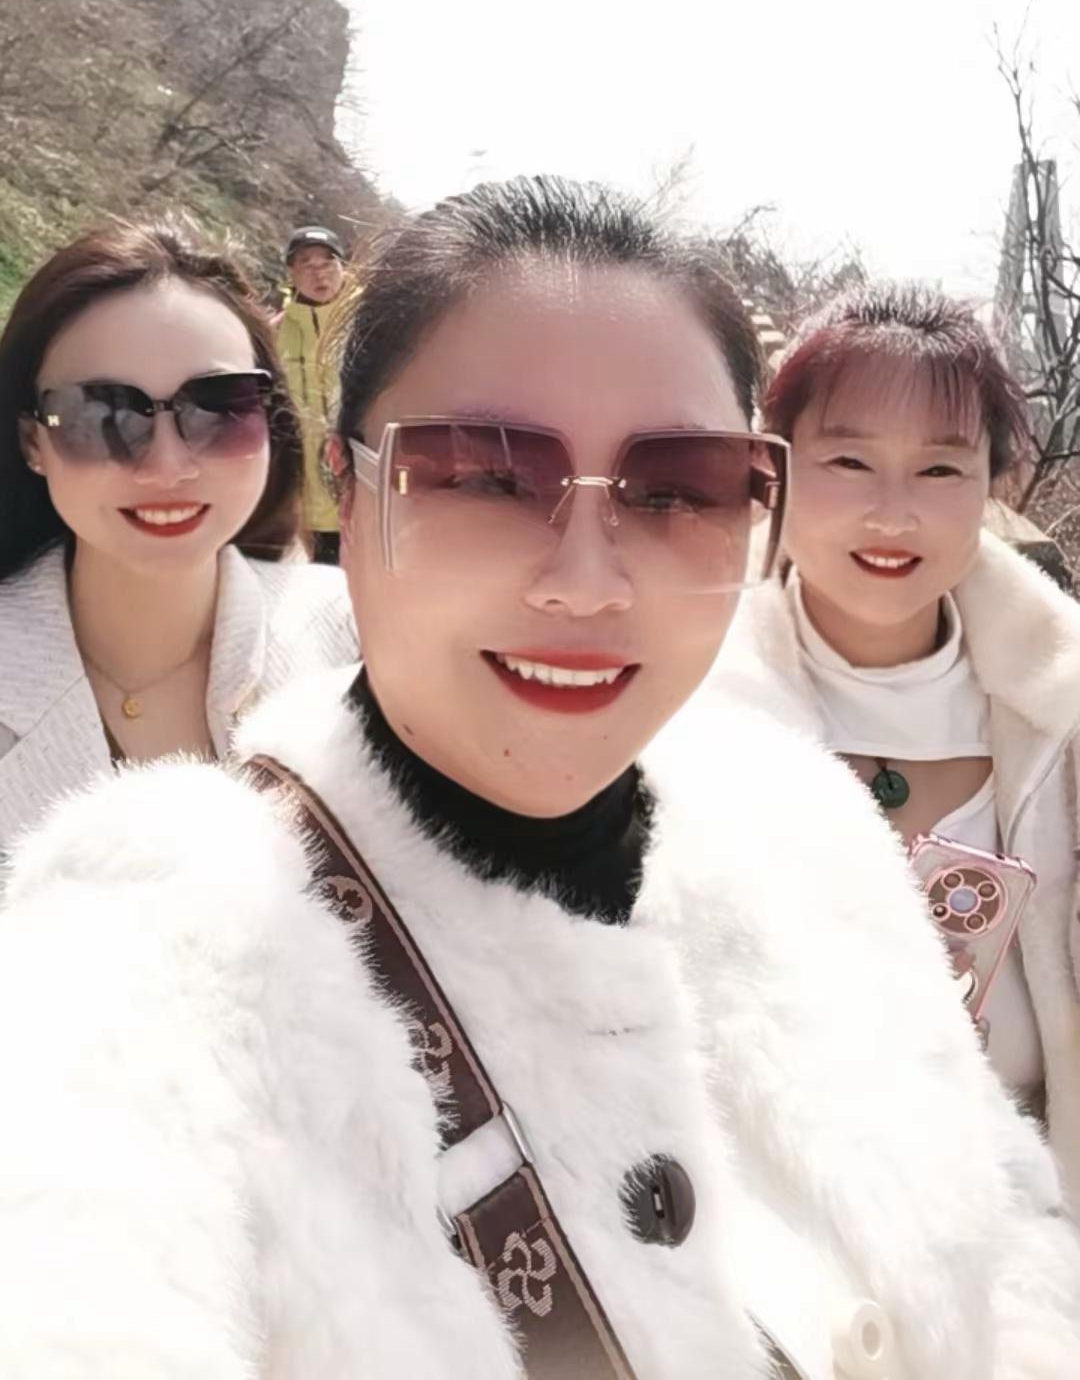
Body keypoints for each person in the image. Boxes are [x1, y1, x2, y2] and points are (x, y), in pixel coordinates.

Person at [0, 182, 1077, 1380]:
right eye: (484, 478)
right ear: (348, 492)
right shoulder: (143, 945)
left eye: (678, 489)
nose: (586, 581)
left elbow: (1013, 1227)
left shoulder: (801, 820)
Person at [723, 281, 1080, 1207]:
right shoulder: (689, 716)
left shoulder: (1060, 720)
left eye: (940, 471)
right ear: (775, 468)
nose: (892, 515)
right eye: (849, 461)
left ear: (992, 485)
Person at [0, 220, 358, 854]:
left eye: (219, 407)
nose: (167, 467)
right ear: (33, 442)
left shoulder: (355, 638)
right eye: (102, 414)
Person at [277, 223, 349, 564]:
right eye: (306, 264)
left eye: (327, 262)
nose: (318, 273)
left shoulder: (373, 320)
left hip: (366, 494)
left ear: (343, 266)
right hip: (307, 504)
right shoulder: (276, 331)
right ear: (291, 274)